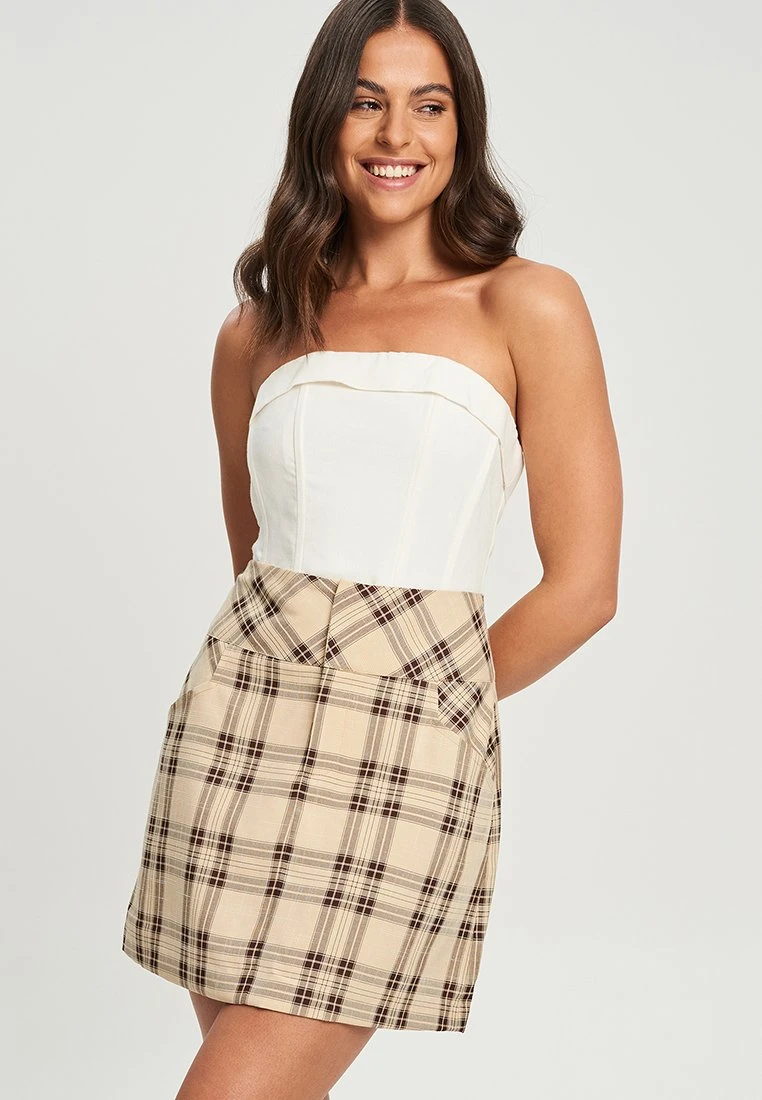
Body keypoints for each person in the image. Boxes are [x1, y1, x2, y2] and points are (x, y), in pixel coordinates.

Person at [122, 1, 623, 1096]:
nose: (398, 134)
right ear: (324, 119)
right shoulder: (256, 330)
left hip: (411, 752)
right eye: (367, 102)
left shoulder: (528, 303)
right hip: (236, 739)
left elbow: (585, 587)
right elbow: (258, 559)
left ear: (462, 125)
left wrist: (430, 702)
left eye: (428, 105)